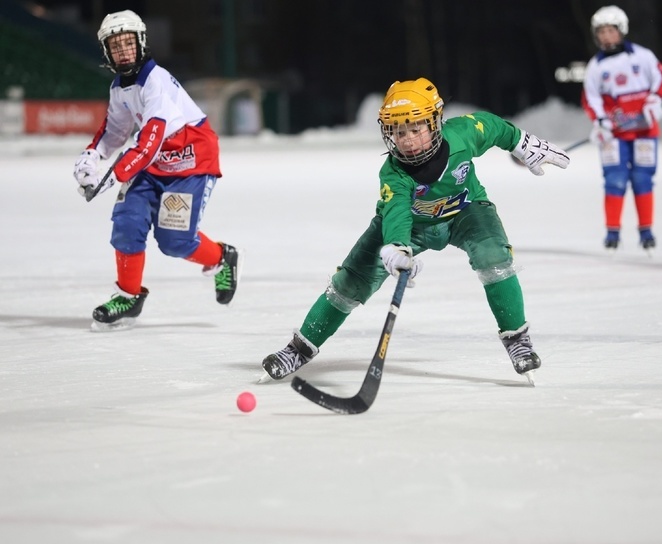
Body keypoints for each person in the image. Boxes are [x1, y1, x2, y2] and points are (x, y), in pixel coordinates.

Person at [260, 78, 569, 383]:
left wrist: (521, 142)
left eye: (415, 129)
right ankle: (298, 349)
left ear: (435, 124)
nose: (406, 140)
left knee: (493, 255)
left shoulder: (462, 136)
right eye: (398, 132)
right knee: (349, 282)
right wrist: (395, 247)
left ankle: (517, 339)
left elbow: (493, 127)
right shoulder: (393, 173)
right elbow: (395, 213)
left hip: (466, 212)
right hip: (413, 227)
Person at [73, 10, 242, 331]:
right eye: (115, 45)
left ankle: (222, 257)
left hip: (190, 163)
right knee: (127, 222)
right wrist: (91, 156)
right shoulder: (119, 87)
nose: (123, 50)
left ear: (141, 43)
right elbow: (114, 132)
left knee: (175, 241)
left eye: (128, 42)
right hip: (153, 163)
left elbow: (149, 140)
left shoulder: (156, 82)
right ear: (107, 51)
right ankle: (128, 296)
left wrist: (112, 176)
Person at [581, 5, 662, 251]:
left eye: (610, 30)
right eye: (600, 32)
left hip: (644, 131)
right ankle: (612, 233)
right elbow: (591, 98)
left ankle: (646, 232)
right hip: (614, 133)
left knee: (643, 180)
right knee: (615, 180)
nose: (605, 36)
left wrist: (654, 100)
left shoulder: (643, 56)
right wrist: (600, 121)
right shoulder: (595, 66)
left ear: (621, 30)